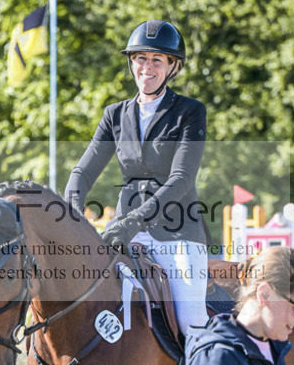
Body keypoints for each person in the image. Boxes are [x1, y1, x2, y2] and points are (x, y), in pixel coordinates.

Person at [64, 19, 209, 337]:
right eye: (140, 58)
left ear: (172, 67)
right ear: (131, 63)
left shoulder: (189, 112)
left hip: (177, 234)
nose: (147, 67)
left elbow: (182, 179)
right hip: (124, 232)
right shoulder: (115, 115)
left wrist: (134, 222)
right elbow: (83, 171)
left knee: (190, 319)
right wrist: (70, 210)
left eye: (157, 59)